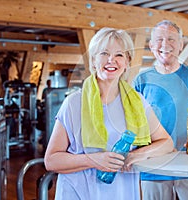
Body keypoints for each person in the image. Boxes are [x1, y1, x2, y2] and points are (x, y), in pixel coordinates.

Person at [44, 27, 174, 200]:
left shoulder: (137, 102)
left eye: (119, 55)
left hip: (122, 193)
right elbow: (51, 160)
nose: (111, 60)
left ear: (127, 61)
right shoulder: (74, 103)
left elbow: (166, 143)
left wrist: (135, 155)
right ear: (93, 60)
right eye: (104, 53)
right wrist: (92, 160)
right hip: (78, 193)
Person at [133, 20, 188, 200]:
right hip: (153, 167)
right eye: (159, 39)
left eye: (171, 39)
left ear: (181, 45)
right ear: (151, 45)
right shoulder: (141, 80)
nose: (165, 45)